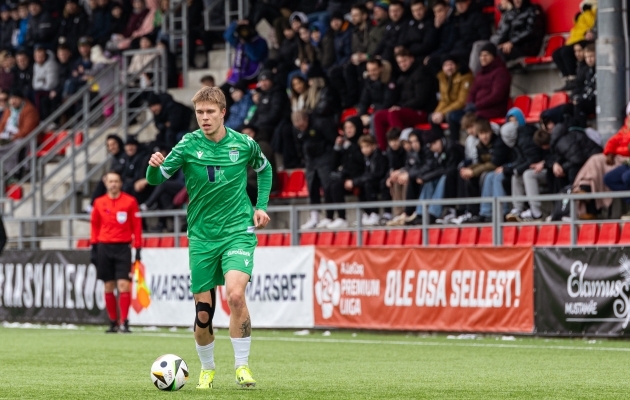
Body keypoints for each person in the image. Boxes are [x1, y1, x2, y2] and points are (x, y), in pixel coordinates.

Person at [145, 86, 272, 390]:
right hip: (202, 237)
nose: (204, 118)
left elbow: (264, 170)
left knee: (236, 295)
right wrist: (153, 168)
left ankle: (242, 367)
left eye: (210, 112)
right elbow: (155, 181)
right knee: (204, 314)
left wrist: (261, 206)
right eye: (200, 112)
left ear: (222, 113)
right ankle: (207, 369)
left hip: (237, 232)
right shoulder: (187, 145)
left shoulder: (244, 144)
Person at [90, 170, 142, 334]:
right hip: (104, 247)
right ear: (106, 183)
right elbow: (94, 225)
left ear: (120, 183)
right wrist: (93, 247)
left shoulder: (130, 201)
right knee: (108, 285)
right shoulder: (99, 203)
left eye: (116, 181)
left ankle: (124, 321)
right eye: (110, 181)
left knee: (123, 284)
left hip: (123, 247)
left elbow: (137, 226)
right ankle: (113, 321)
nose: (113, 184)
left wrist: (138, 248)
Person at [372, 47, 437, 151]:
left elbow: (421, 99)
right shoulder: (403, 76)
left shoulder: (421, 73)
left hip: (421, 111)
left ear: (411, 59)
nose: (402, 64)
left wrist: (400, 107)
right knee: (378, 116)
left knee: (394, 113)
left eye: (404, 61)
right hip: (407, 109)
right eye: (399, 62)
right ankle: (383, 151)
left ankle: (402, 149)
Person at [293, 110, 337, 229]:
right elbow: (298, 145)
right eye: (298, 126)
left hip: (324, 158)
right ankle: (314, 217)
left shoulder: (320, 123)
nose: (300, 128)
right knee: (312, 187)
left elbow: (332, 139)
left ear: (306, 119)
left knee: (327, 187)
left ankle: (330, 216)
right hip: (310, 161)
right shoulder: (297, 130)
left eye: (302, 125)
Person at [319, 116, 365, 229]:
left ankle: (342, 217)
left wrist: (350, 147)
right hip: (345, 177)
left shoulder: (362, 142)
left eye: (351, 127)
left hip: (358, 176)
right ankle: (329, 216)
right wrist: (337, 148)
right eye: (346, 127)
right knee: (328, 184)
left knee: (336, 187)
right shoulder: (344, 144)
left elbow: (360, 162)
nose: (348, 130)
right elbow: (333, 164)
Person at [552, 0, 596, 87]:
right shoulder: (582, 15)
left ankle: (573, 78)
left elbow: (592, 23)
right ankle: (567, 79)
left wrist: (587, 12)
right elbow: (577, 26)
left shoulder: (593, 13)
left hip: (583, 39)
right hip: (574, 40)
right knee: (556, 54)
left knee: (566, 52)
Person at [432, 55, 473, 135]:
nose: (449, 68)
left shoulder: (465, 76)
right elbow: (444, 100)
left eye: (451, 64)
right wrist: (437, 112)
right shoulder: (442, 78)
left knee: (450, 116)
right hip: (450, 108)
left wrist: (442, 113)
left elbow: (462, 101)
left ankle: (454, 142)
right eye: (446, 65)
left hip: (465, 109)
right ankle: (439, 142)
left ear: (456, 65)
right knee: (432, 117)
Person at [32, 44, 58, 120]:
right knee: (30, 94)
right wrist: (42, 81)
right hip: (40, 89)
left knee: (37, 95)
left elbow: (50, 84)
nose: (39, 58)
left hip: (52, 89)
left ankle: (40, 120)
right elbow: (34, 84)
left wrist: (40, 82)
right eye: (37, 56)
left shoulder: (51, 64)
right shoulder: (35, 65)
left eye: (41, 56)